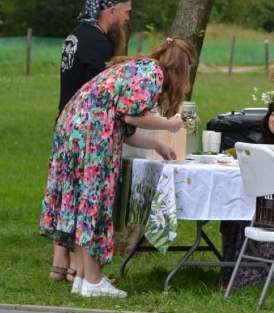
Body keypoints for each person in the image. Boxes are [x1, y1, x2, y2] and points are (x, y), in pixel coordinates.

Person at [40, 37, 197, 298]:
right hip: (92, 136)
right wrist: (169, 124)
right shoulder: (154, 74)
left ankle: (81, 277)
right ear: (182, 67)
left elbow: (122, 126)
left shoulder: (140, 68)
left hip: (75, 130)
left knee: (82, 202)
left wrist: (156, 146)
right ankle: (92, 280)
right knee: (94, 203)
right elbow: (132, 115)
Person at [49, 0, 132, 283]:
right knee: (84, 197)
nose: (126, 19)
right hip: (85, 132)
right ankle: (79, 271)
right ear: (111, 11)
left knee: (67, 194)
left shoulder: (75, 35)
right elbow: (101, 97)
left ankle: (61, 261)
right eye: (125, 13)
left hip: (64, 124)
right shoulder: (99, 44)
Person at [220, 95, 274, 288]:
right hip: (256, 205)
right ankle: (232, 271)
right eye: (273, 113)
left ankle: (261, 275)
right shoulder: (258, 147)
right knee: (236, 215)